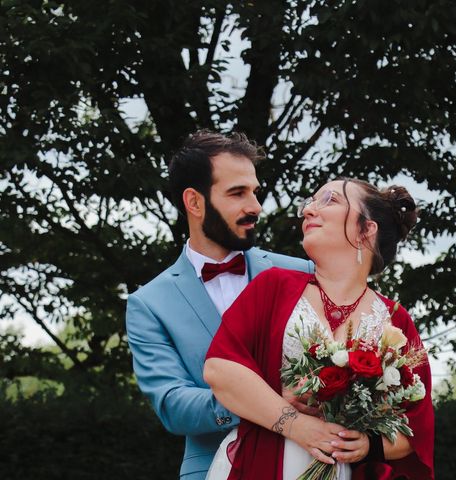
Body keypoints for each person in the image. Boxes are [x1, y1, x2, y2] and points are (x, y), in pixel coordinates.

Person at [204, 179, 434, 480]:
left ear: (366, 229)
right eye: (310, 202)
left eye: (329, 200)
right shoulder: (273, 286)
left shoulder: (395, 320)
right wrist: (295, 425)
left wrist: (368, 445)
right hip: (259, 464)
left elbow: (417, 428)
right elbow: (220, 369)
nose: (309, 210)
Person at [125, 130, 314, 480]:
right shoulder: (148, 304)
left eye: (254, 192)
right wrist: (266, 403)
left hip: (312, 464)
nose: (255, 206)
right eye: (237, 193)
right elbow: (173, 405)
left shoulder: (301, 272)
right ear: (194, 203)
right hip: (215, 470)